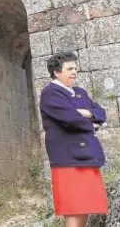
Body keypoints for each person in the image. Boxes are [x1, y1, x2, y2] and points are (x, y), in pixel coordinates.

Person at [39, 52, 108, 227]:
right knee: (73, 208)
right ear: (56, 72)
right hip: (67, 158)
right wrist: (92, 124)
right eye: (70, 69)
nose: (74, 72)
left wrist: (89, 113)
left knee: (85, 206)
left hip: (87, 155)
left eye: (75, 68)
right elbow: (70, 118)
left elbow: (100, 112)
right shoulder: (50, 93)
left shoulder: (80, 92)